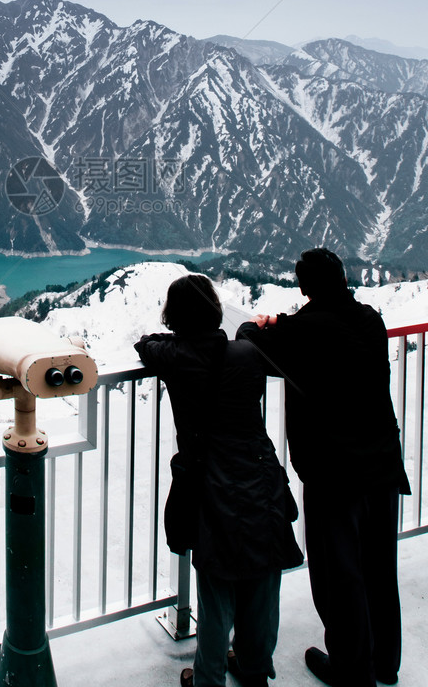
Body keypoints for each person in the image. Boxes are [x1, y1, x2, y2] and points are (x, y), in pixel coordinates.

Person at [237, 248, 410, 687]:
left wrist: (265, 324)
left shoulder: (304, 331)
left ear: (304, 286)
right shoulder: (370, 319)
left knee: (340, 574)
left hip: (334, 471)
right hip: (382, 462)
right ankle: (385, 663)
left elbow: (249, 338)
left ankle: (353, 670)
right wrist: (287, 323)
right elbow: (327, 335)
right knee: (378, 567)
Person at [135, 274, 303, 687]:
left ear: (175, 319)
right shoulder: (245, 353)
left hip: (213, 486)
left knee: (216, 593)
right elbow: (243, 341)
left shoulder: (174, 356)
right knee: (263, 585)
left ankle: (208, 679)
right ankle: (253, 668)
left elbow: (145, 346)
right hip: (262, 478)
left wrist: (172, 334)